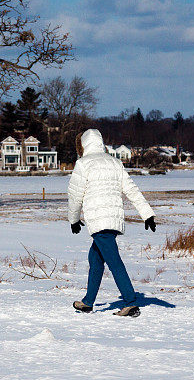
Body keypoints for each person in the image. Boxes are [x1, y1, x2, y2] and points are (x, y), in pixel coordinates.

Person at [67, 129, 156, 317]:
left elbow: (75, 195)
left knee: (114, 261)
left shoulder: (83, 164)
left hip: (99, 221)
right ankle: (88, 302)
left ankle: (130, 302)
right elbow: (131, 189)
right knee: (95, 258)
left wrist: (74, 219)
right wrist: (147, 214)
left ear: (82, 145)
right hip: (113, 220)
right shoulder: (114, 162)